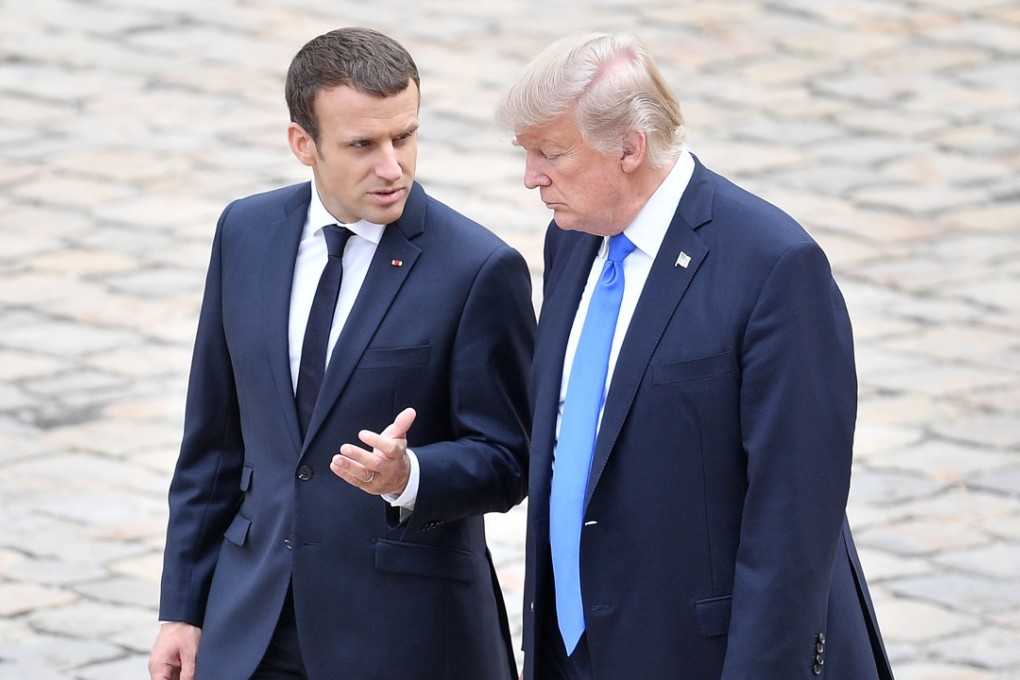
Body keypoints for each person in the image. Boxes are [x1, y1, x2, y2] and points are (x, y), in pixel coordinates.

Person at [496, 32, 894, 680]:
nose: (531, 177)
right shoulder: (572, 240)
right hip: (576, 651)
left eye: (551, 153)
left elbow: (792, 528)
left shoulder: (773, 268)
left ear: (630, 146)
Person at [149, 27, 535, 680]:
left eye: (404, 137)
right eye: (362, 145)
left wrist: (410, 475)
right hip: (254, 623)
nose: (392, 166)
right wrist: (183, 608)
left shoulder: (479, 269)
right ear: (304, 143)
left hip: (405, 638)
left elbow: (510, 460)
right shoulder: (245, 233)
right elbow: (212, 445)